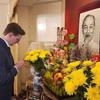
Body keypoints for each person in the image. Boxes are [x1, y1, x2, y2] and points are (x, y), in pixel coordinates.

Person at [0, 22, 26, 100]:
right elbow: (2, 78)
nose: (17, 42)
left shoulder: (5, 46)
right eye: (17, 39)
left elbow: (4, 67)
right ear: (10, 34)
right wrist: (15, 68)